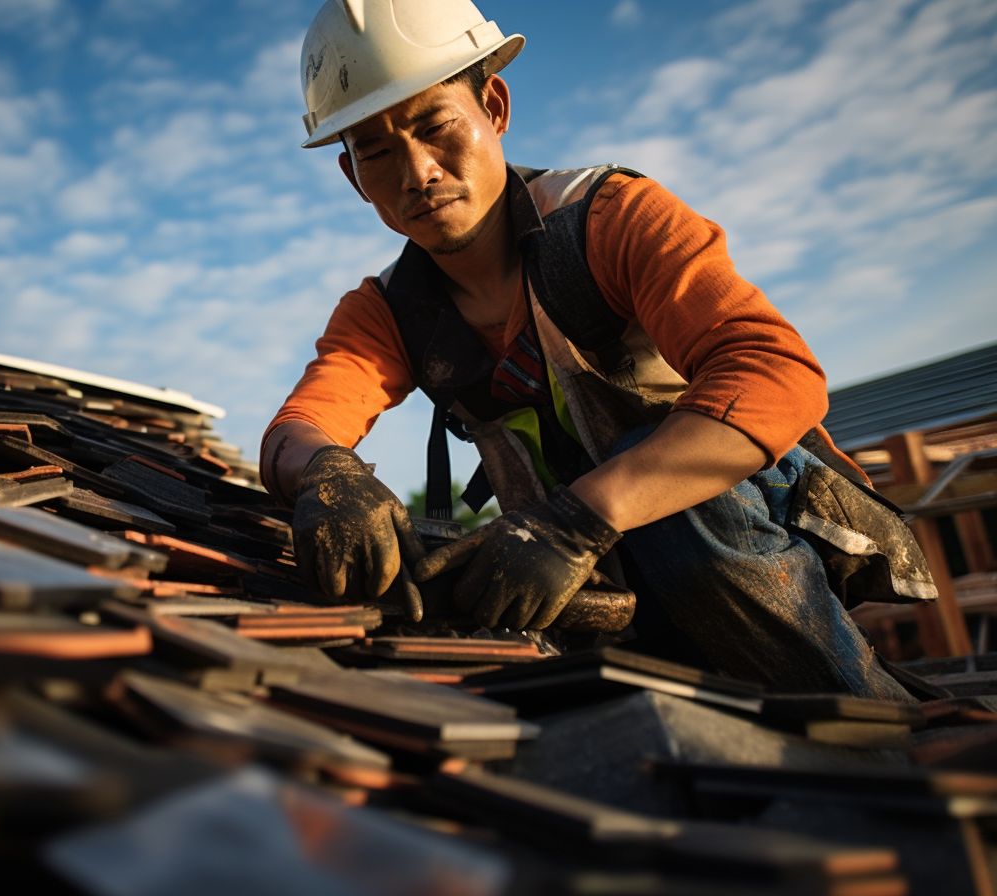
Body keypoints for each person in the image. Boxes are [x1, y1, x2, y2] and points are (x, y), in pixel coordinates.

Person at [261, 0, 936, 700]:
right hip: (599, 577)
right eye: (375, 151)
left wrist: (577, 521)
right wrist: (327, 474)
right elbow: (297, 431)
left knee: (679, 502)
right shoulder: (387, 311)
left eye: (436, 128)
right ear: (350, 176)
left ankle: (879, 730)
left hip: (739, 535)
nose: (417, 172)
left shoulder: (610, 220)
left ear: (493, 106)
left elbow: (775, 374)